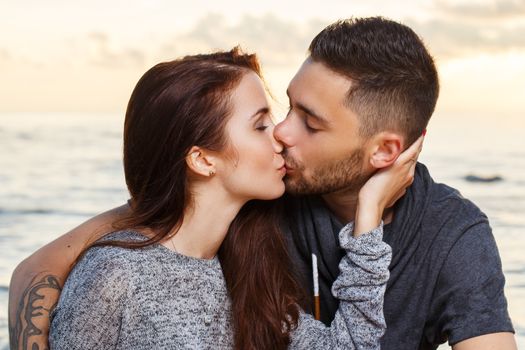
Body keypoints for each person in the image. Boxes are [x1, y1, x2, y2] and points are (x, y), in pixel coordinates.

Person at [8, 17, 517, 350]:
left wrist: (368, 223)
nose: (281, 132)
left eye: (309, 122)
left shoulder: (451, 231)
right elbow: (44, 270)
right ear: (203, 159)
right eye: (280, 111)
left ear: (385, 150)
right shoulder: (248, 208)